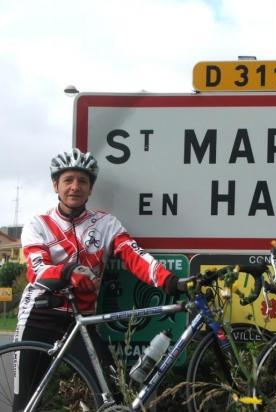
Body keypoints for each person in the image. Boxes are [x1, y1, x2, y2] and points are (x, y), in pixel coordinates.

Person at [13, 148, 181, 410]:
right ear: (56, 185)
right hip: (39, 316)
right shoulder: (39, 224)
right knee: (25, 401)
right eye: (68, 180)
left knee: (112, 395)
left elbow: (134, 256)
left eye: (82, 181)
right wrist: (68, 272)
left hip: (80, 320)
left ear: (90, 188)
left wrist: (168, 280)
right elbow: (37, 270)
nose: (75, 187)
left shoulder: (106, 224)